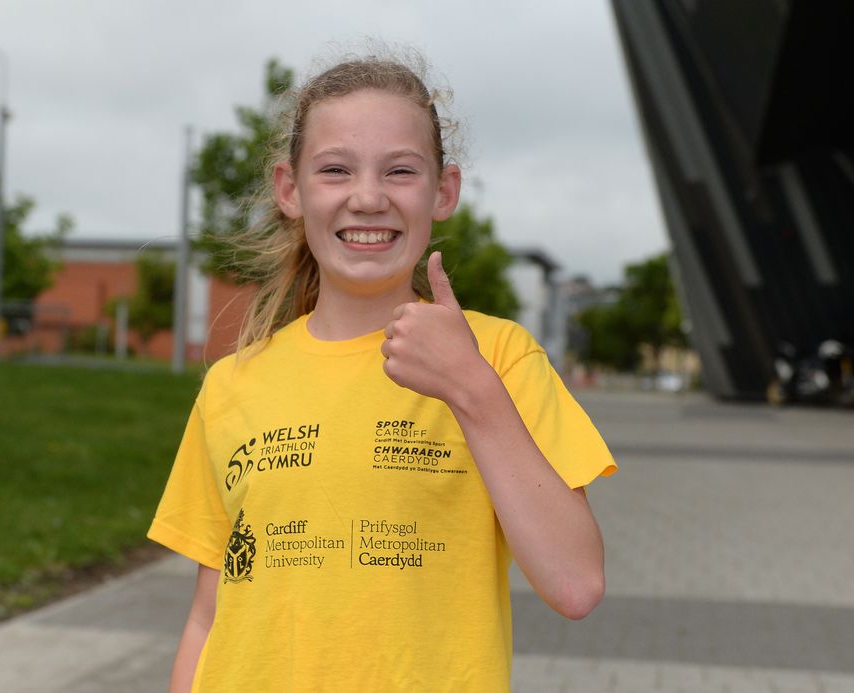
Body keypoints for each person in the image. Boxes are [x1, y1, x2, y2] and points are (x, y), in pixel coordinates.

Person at [148, 52, 617, 692]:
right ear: (290, 190)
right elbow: (208, 616)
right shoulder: (233, 383)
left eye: (400, 170)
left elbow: (576, 584)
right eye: (335, 169)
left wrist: (470, 388)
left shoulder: (500, 358)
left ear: (443, 191)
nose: (368, 198)